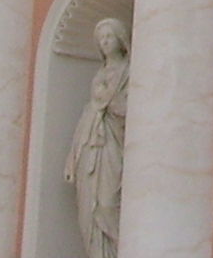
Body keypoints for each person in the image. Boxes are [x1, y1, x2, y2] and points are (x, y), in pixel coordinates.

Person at [66, 17, 130, 258]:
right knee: (88, 210)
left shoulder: (128, 71)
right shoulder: (100, 72)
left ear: (120, 39)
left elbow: (128, 110)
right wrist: (72, 159)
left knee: (106, 204)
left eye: (109, 36)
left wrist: (109, 101)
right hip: (91, 146)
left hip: (113, 142)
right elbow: (87, 117)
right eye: (101, 38)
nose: (104, 42)